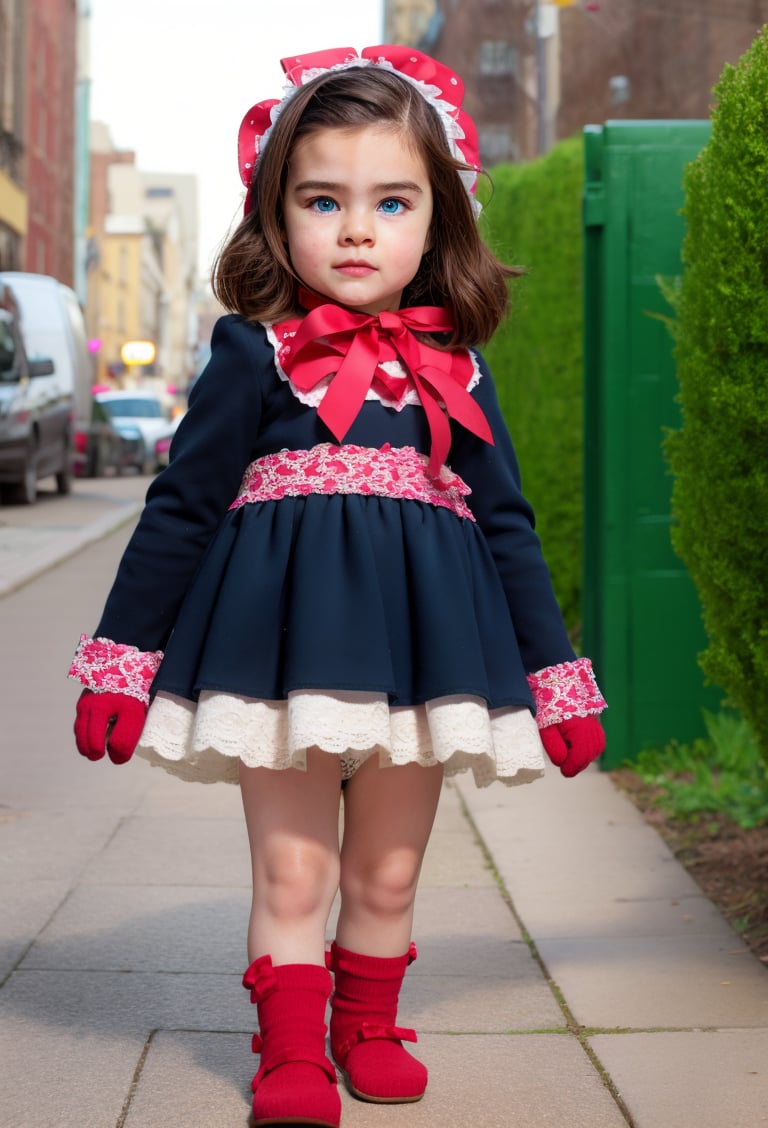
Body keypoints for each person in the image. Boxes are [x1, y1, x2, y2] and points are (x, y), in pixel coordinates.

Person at [69, 45, 607, 1128]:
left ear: (437, 219)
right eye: (325, 199)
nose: (358, 229)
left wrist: (555, 674)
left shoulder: (457, 365)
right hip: (283, 660)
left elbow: (506, 523)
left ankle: (366, 1025)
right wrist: (122, 659)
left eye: (391, 201)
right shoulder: (254, 354)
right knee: (296, 868)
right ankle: (288, 1055)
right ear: (278, 216)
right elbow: (178, 506)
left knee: (393, 873)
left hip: (426, 663)